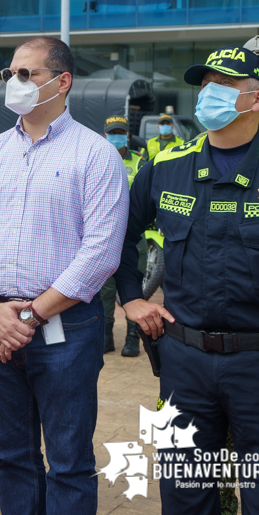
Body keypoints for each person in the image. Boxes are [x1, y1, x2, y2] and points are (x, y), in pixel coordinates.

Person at [114, 46, 259, 515]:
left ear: (257, 99)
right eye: (204, 84)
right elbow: (119, 235)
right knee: (184, 496)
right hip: (184, 363)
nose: (207, 94)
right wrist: (132, 299)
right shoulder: (165, 164)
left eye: (223, 85)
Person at [0, 37, 129, 515]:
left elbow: (100, 253)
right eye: (10, 74)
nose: (14, 83)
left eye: (28, 74)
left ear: (63, 82)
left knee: (69, 463)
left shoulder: (96, 156)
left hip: (65, 330)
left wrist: (27, 316)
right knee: (9, 458)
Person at [98, 115, 146, 358]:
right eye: (112, 132)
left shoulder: (139, 162)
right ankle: (107, 336)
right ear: (105, 134)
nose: (116, 136)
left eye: (120, 132)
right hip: (106, 234)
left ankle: (132, 337)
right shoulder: (97, 158)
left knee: (134, 282)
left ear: (127, 135)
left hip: (133, 234)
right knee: (105, 288)